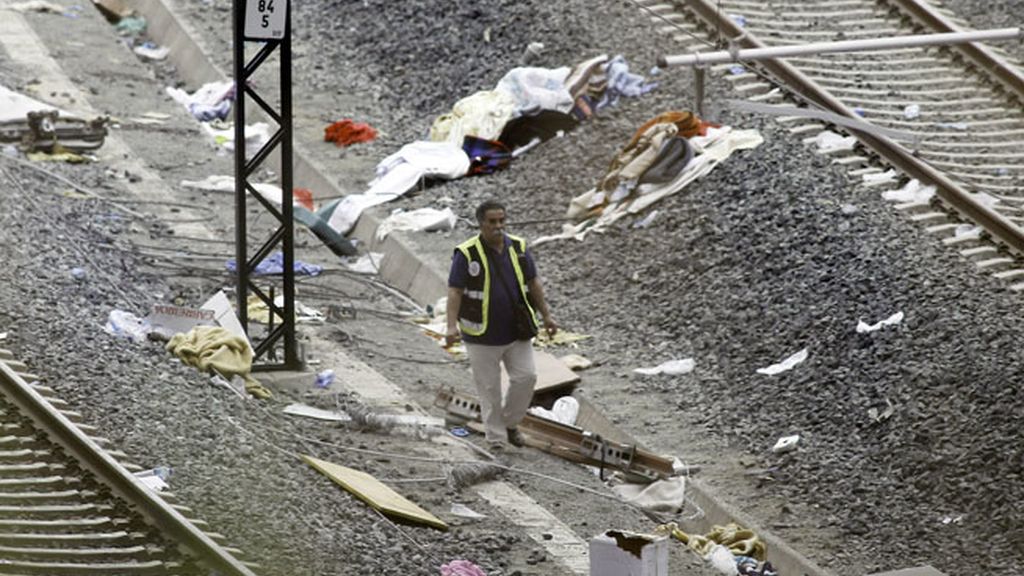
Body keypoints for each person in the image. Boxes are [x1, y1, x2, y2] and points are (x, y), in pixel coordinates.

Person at [445, 200, 557, 450]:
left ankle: (509, 423)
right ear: (481, 223)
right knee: (489, 389)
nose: (498, 226)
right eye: (492, 222)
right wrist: (451, 327)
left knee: (526, 377)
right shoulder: (467, 253)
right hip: (480, 335)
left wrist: (547, 316)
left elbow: (534, 283)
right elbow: (455, 291)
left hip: (516, 331)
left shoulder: (518, 248)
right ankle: (496, 440)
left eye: (502, 221)